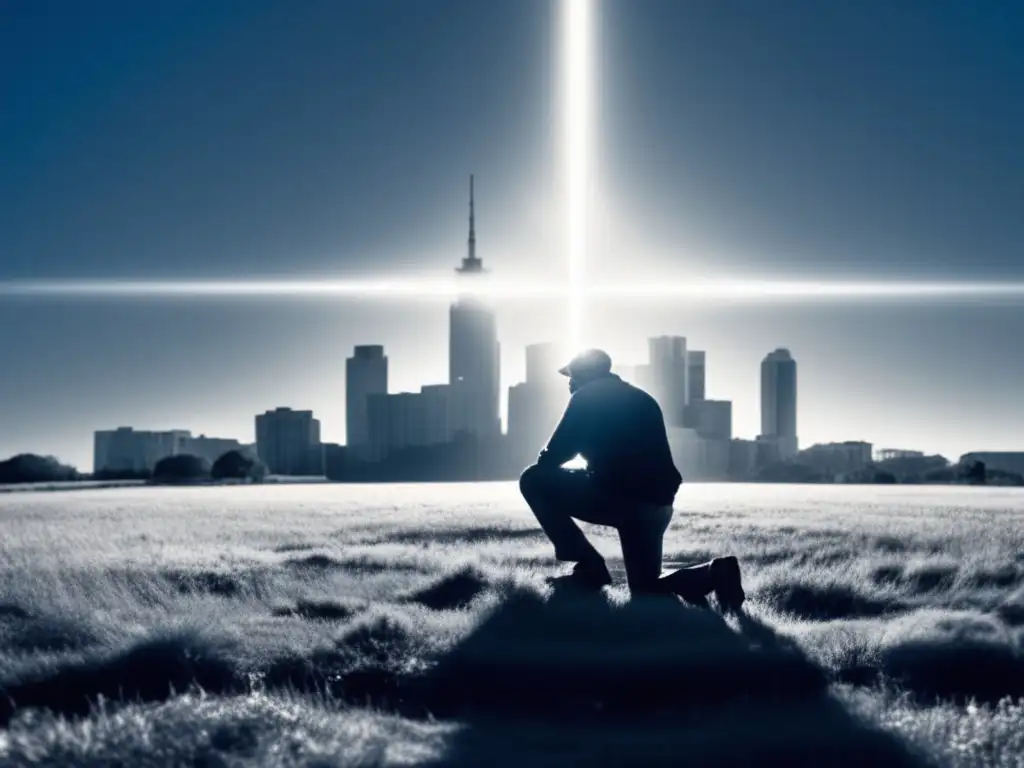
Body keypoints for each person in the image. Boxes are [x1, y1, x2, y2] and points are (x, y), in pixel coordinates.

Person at [519, 348, 745, 611]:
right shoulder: (641, 397)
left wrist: (552, 454)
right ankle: (714, 573)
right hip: (656, 506)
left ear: (582, 376)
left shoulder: (586, 397)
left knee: (533, 479)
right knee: (646, 589)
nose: (568, 383)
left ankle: (589, 567)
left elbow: (551, 460)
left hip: (620, 499)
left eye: (571, 376)